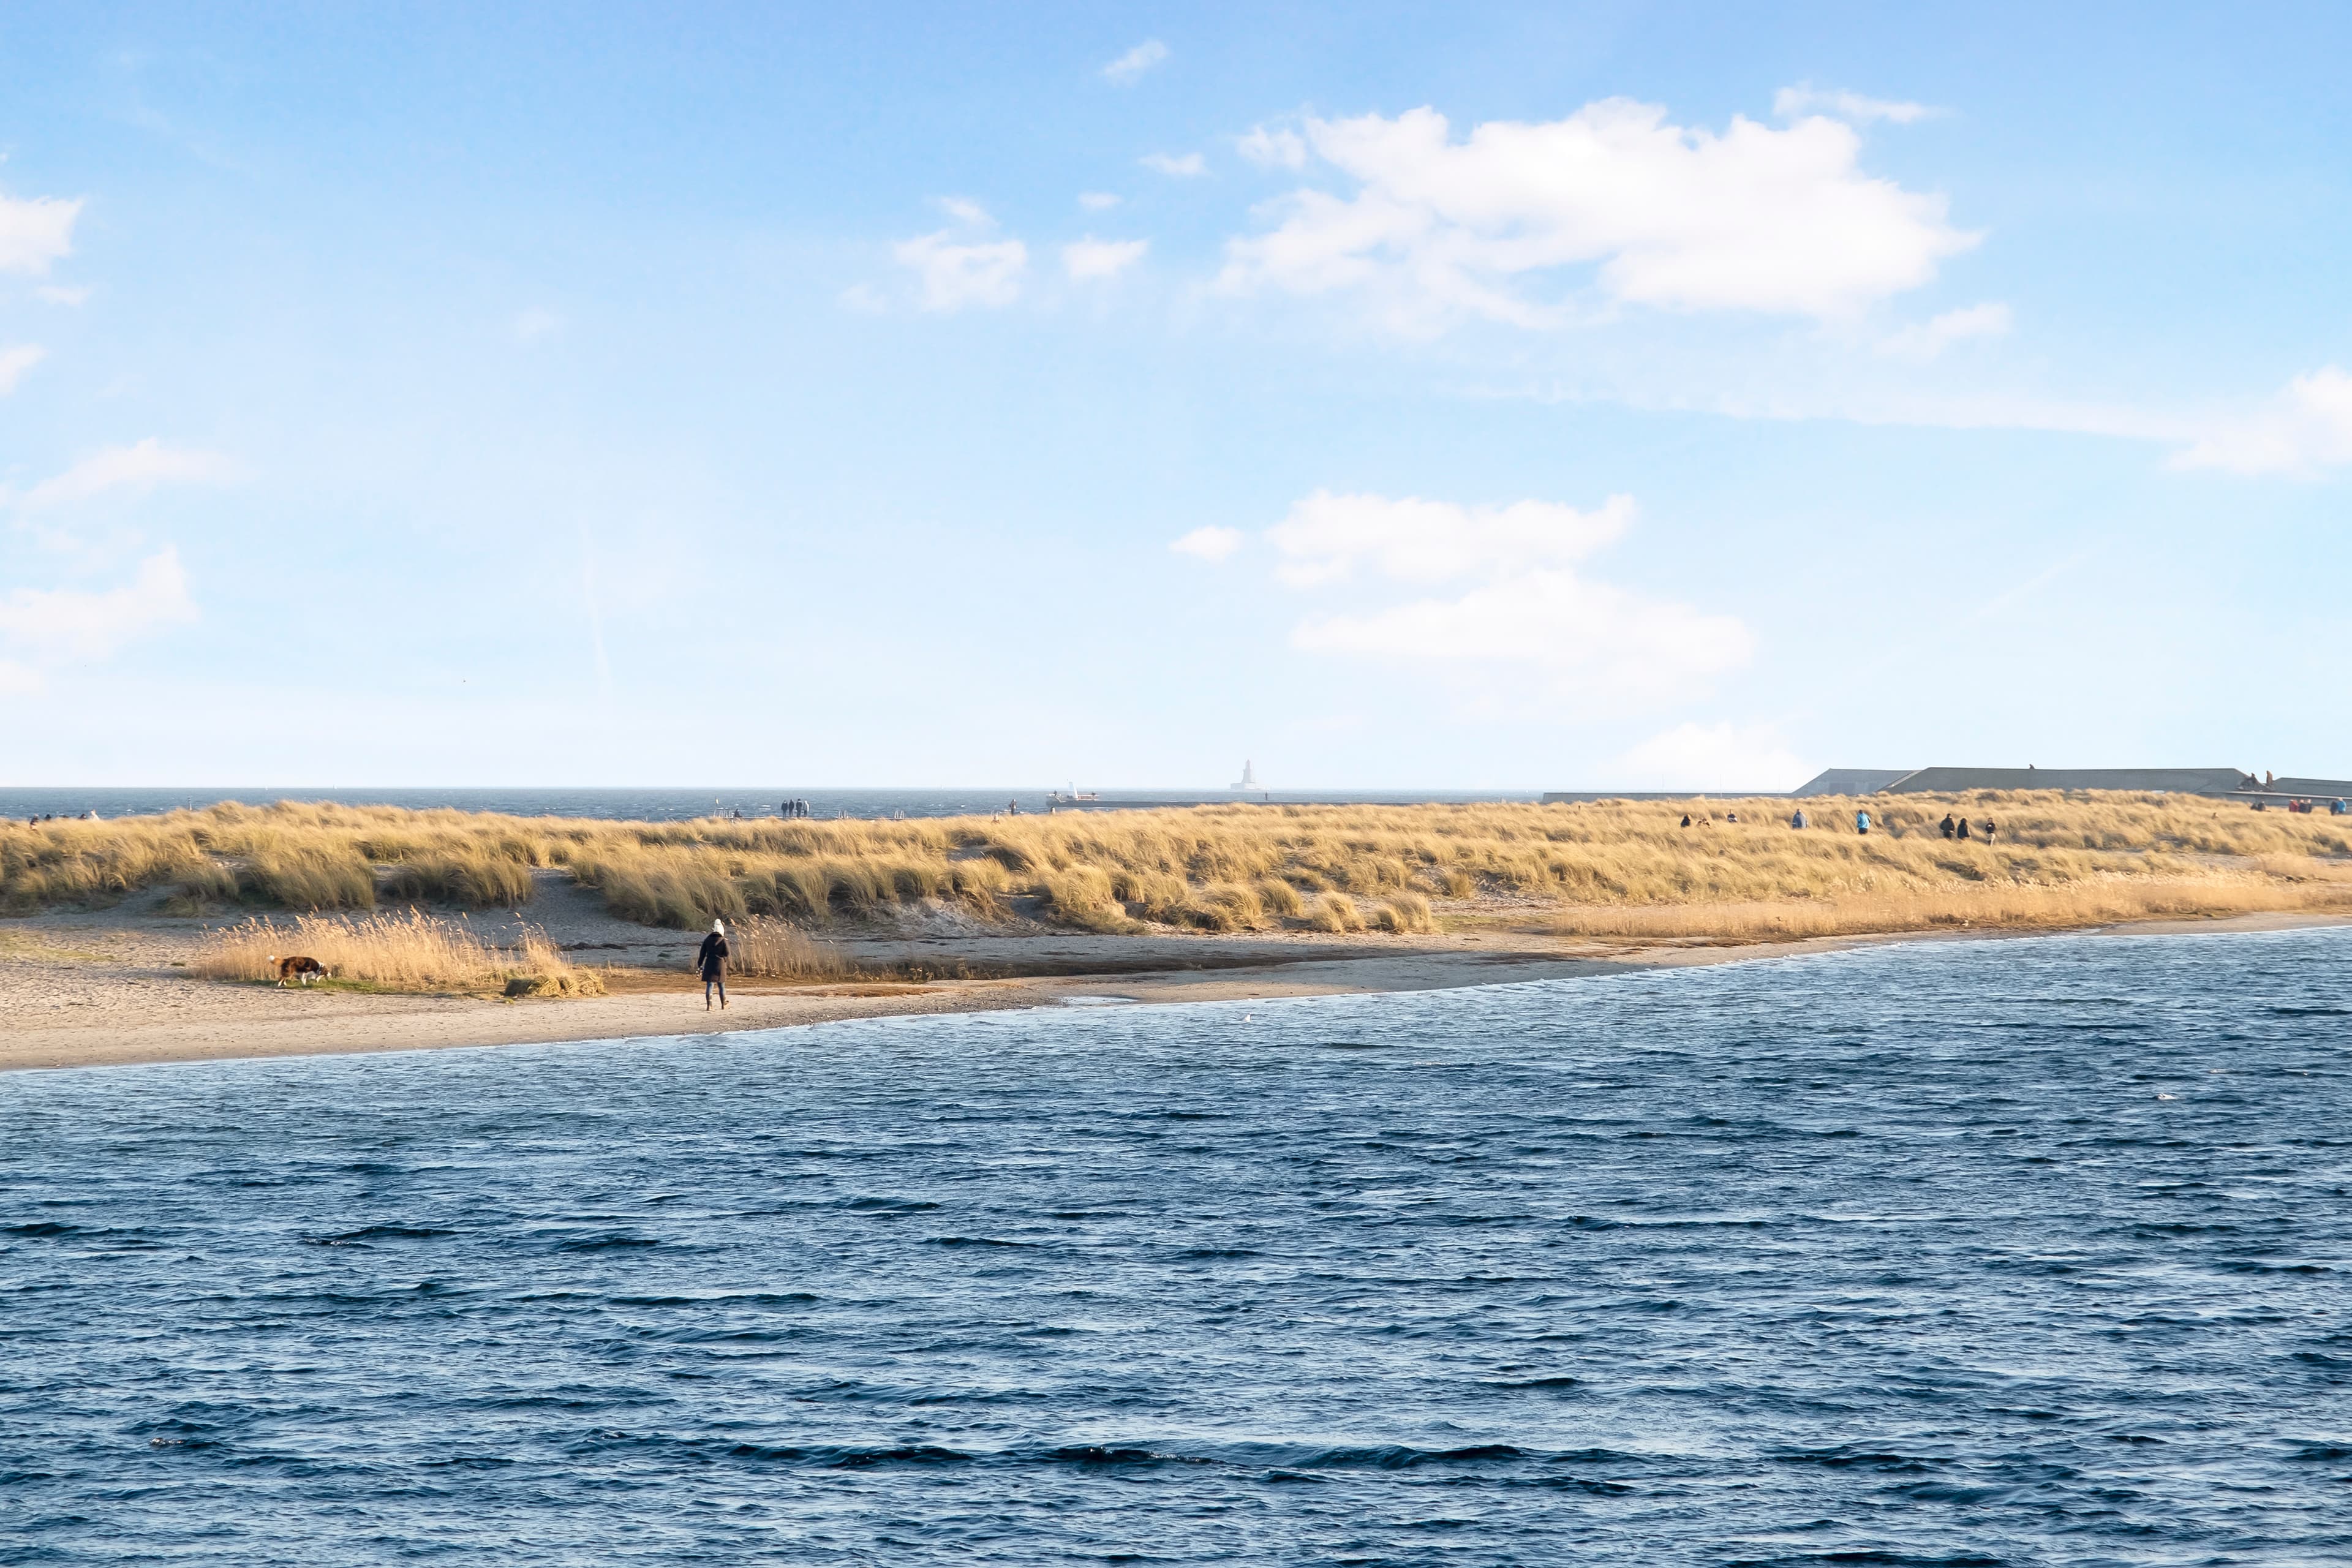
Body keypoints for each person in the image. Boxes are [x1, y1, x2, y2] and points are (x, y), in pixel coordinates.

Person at [695, 919, 729, 1011]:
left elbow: (702, 954)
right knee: (721, 985)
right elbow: (727, 953)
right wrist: (724, 959)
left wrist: (700, 965)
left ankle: (709, 1005)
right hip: (720, 964)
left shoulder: (707, 940)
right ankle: (723, 1004)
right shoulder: (723, 941)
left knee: (710, 985)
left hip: (709, 963)